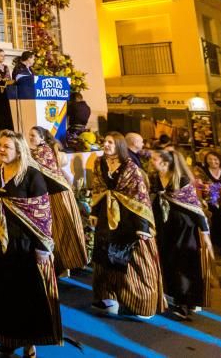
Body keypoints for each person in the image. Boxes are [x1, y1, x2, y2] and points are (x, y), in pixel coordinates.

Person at [0, 130, 62, 356]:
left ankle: (29, 341)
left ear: (19, 150)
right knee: (1, 291)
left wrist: (42, 248)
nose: (1, 149)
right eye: (0, 145)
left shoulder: (31, 175)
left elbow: (42, 215)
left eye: (7, 146)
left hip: (24, 245)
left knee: (25, 294)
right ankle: (7, 338)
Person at [90, 132, 166, 318]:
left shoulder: (130, 167)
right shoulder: (99, 163)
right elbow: (98, 189)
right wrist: (93, 213)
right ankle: (108, 299)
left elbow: (139, 197)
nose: (106, 145)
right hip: (105, 218)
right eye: (105, 141)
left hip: (128, 219)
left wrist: (142, 226)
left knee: (131, 260)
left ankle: (140, 304)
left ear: (120, 146)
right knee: (104, 258)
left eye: (110, 142)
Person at [151, 150, 213, 320]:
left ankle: (184, 303)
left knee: (184, 264)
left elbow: (196, 209)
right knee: (169, 262)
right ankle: (179, 297)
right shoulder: (156, 179)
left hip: (184, 228)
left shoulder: (182, 181)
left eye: (155, 159)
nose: (151, 161)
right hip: (165, 228)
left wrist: (205, 234)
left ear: (165, 163)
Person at [27, 125, 88, 273]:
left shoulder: (43, 151)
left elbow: (33, 168)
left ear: (42, 138)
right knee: (57, 231)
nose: (30, 138)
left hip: (59, 195)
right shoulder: (37, 151)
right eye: (29, 135)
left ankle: (72, 262)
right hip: (52, 195)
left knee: (65, 230)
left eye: (33, 135)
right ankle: (62, 265)